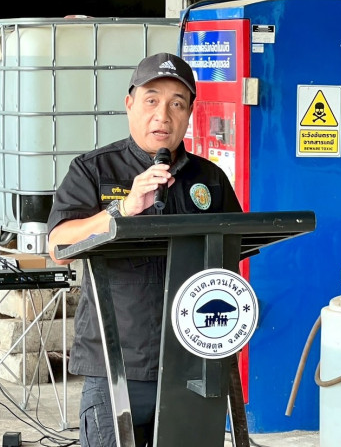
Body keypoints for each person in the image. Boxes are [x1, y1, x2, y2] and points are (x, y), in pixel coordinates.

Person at [47, 52, 242, 447]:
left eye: (177, 104)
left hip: (194, 360)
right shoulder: (93, 170)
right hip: (117, 365)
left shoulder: (210, 178)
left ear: (190, 112)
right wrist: (122, 209)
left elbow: (233, 253)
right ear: (129, 104)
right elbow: (59, 245)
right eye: (151, 100)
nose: (162, 115)